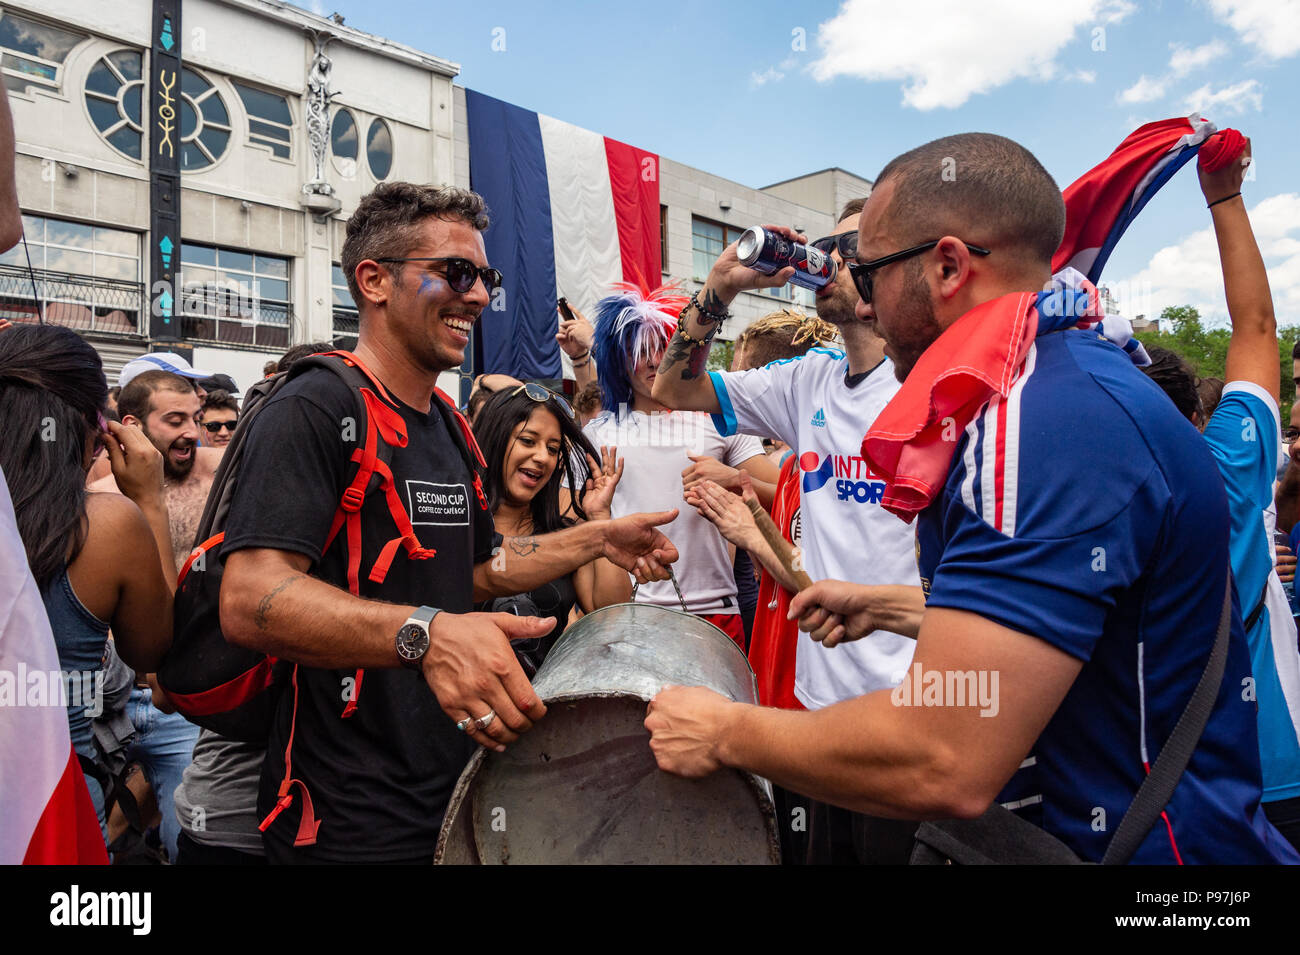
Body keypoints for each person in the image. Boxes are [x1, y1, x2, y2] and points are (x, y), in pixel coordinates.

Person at [645, 132, 1299, 864]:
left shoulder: (1034, 418)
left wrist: (723, 729)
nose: (861, 291)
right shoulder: (1061, 381)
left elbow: (944, 754)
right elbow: (1073, 617)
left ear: (949, 266)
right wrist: (885, 605)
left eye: (870, 269)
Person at [215, 181, 678, 863]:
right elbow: (249, 599)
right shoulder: (314, 407)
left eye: (484, 276)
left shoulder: (451, 429)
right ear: (373, 280)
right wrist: (425, 635)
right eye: (456, 273)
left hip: (456, 790)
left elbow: (476, 572)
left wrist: (596, 536)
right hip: (345, 816)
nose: (481, 296)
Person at [652, 202, 925, 862]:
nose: (828, 257)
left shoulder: (934, 385)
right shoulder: (809, 380)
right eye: (825, 243)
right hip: (819, 713)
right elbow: (673, 387)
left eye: (851, 246)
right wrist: (719, 288)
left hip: (908, 715)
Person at [1136, 142, 1300, 851]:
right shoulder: (1230, 461)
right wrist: (1223, 196)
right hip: (1276, 762)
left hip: (1161, 790)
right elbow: (1256, 329)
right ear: (1192, 415)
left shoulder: (1087, 502)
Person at [0, 325, 174, 841]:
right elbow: (155, 651)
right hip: (52, 802)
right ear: (94, 426)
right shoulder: (107, 525)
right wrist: (149, 500)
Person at [584, 282, 777, 648]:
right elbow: (577, 537)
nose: (655, 360)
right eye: (640, 351)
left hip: (716, 613)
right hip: (632, 616)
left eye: (662, 346)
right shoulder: (596, 434)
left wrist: (735, 479)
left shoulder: (718, 418)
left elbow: (786, 497)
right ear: (618, 362)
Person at [88, 369, 219, 860]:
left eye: (196, 419)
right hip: (107, 700)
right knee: (86, 830)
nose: (191, 431)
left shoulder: (221, 477)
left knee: (183, 837)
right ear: (132, 424)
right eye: (174, 420)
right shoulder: (96, 498)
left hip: (184, 702)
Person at [472, 385, 631, 667]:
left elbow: (612, 617)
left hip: (544, 706)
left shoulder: (567, 537)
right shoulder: (457, 527)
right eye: (528, 441)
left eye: (553, 448)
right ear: (496, 439)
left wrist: (599, 519)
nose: (543, 457)